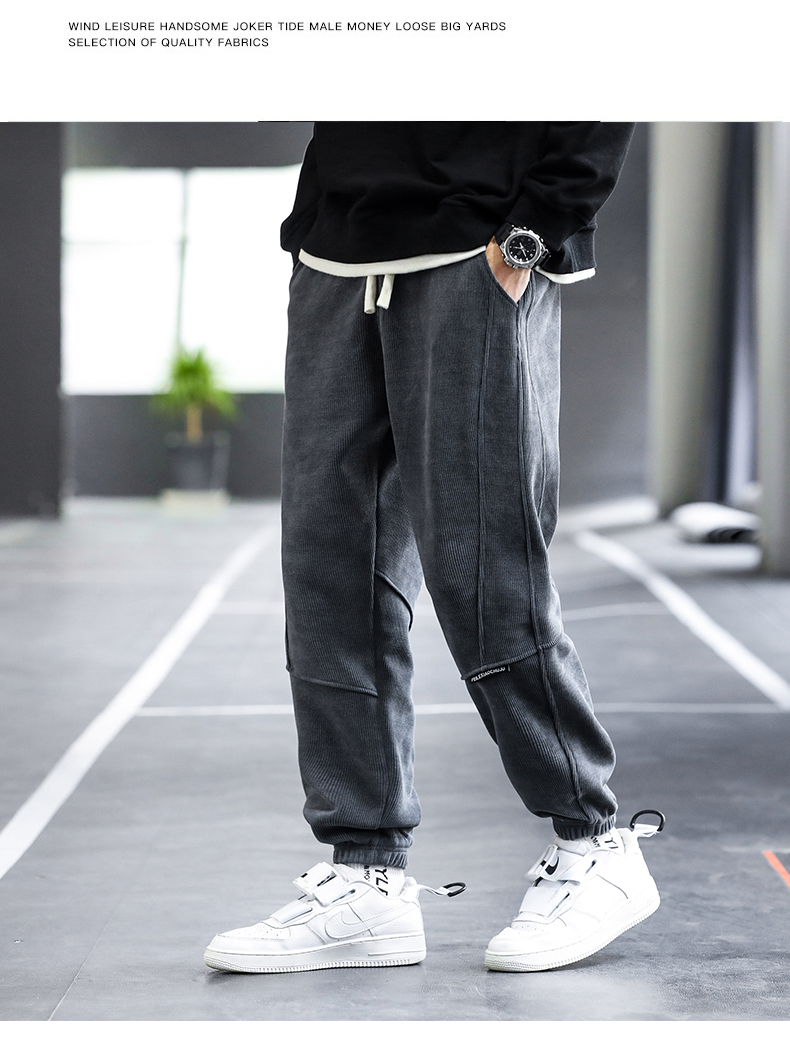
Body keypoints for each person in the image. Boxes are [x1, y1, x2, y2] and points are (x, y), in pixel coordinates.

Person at [204, 122, 664, 975]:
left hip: (478, 249)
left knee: (483, 568)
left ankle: (595, 841)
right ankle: (367, 873)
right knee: (329, 575)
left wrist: (532, 233)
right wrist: (311, 228)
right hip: (339, 254)